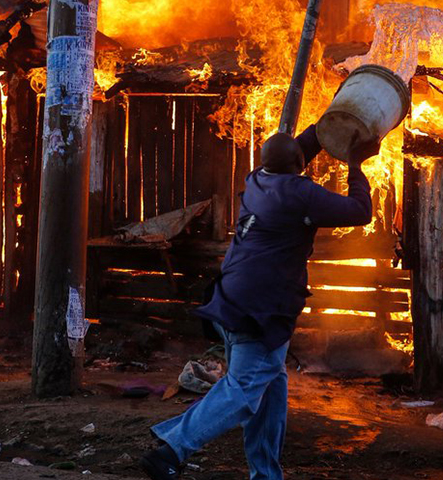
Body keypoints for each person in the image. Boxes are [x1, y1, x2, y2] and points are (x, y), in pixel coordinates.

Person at [140, 124, 381, 480]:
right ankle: (172, 449)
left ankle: (266, 475)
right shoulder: (300, 193)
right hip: (259, 311)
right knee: (242, 390)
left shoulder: (257, 180)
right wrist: (356, 164)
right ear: (298, 165)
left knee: (269, 389)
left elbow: (292, 153)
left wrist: (323, 129)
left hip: (231, 298)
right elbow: (360, 211)